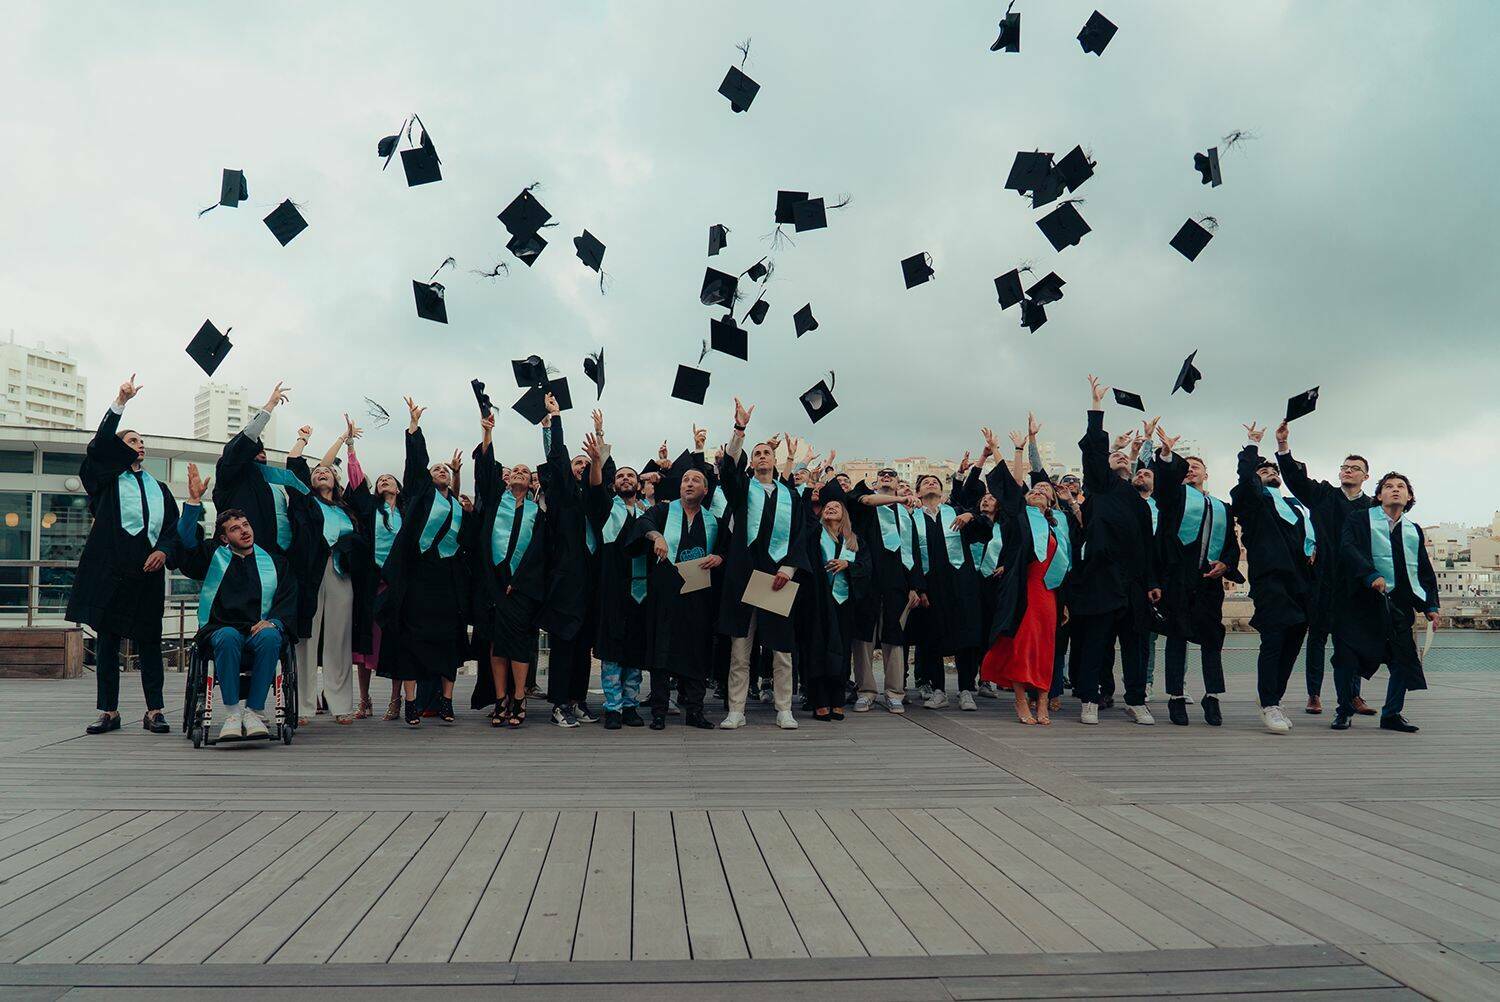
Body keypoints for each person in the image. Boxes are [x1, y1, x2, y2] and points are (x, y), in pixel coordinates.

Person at [68, 374, 179, 736]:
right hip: (112, 572)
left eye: (142, 442)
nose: (140, 445)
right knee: (108, 642)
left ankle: (154, 710)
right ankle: (109, 712)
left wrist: (164, 548)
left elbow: (171, 526)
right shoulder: (104, 481)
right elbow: (99, 448)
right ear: (119, 448)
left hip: (148, 573)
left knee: (149, 641)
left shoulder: (159, 487)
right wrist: (120, 401)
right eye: (132, 440)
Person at [175, 465, 298, 742]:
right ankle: (232, 714)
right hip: (221, 629)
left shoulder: (276, 563)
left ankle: (254, 711)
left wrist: (274, 621)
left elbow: (288, 600)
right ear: (223, 538)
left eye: (246, 525)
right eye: (234, 529)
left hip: (259, 630)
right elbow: (185, 542)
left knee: (270, 635)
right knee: (229, 636)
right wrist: (193, 502)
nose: (243, 531)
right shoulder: (212, 556)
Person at [1068, 376, 1160, 726]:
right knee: (1096, 643)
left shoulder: (1138, 502)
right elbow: (1093, 453)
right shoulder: (1099, 488)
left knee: (1135, 645)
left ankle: (1136, 700)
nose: (1121, 458)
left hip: (1134, 582)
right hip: (1100, 579)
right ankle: (1089, 699)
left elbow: (1146, 545)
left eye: (1125, 456)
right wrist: (1096, 408)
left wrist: (1152, 580)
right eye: (1115, 456)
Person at [378, 397, 473, 727]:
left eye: (445, 470)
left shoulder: (458, 508)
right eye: (436, 469)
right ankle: (411, 704)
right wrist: (414, 427)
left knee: (448, 641)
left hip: (446, 581)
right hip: (417, 580)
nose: (440, 471)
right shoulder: (421, 496)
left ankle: (446, 702)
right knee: (411, 642)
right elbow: (416, 464)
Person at [716, 398, 809, 730]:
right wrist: (739, 430)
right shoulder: (742, 489)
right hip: (743, 577)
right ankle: (736, 709)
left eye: (766, 453)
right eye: (756, 454)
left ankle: (784, 708)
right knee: (740, 649)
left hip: (776, 578)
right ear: (751, 461)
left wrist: (789, 569)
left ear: (775, 459)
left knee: (782, 650)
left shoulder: (791, 497)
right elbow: (727, 471)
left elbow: (800, 536)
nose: (761, 457)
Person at [1275, 420, 1377, 715]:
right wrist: (1283, 447)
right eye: (1344, 466)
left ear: (1366, 476)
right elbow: (1295, 479)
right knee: (1317, 638)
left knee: (1352, 641)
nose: (1347, 470)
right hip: (1322, 580)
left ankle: (1354, 696)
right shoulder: (1323, 495)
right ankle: (1314, 695)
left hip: (1356, 583)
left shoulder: (1371, 508)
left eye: (1354, 468)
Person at [1330, 473, 1438, 732]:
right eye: (1388, 487)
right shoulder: (1359, 519)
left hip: (1397, 606)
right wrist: (1370, 574)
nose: (1395, 490)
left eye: (1401, 487)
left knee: (1402, 659)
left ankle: (1391, 714)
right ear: (1379, 495)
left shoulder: (1413, 531)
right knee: (1347, 658)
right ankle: (1344, 710)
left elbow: (1423, 569)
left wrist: (1431, 605)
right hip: (1358, 603)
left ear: (1409, 496)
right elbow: (1348, 548)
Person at [1150, 427, 1244, 726]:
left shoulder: (1222, 508)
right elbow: (1163, 483)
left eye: (1197, 467)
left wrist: (1226, 565)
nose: (1191, 470)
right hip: (1177, 580)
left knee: (1212, 639)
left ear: (1206, 474)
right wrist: (1166, 455)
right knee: (1177, 637)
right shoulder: (1174, 498)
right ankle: (1176, 698)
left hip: (1208, 583)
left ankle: (1212, 695)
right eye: (1186, 466)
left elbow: (1231, 544)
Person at [980, 428, 1073, 724]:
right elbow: (1013, 484)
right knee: (1022, 644)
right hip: (1023, 589)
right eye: (1033, 491)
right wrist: (1011, 450)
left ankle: (1043, 700)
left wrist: (1065, 602)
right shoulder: (1019, 517)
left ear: (1050, 503)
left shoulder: (1058, 528)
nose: (1036, 492)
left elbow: (1064, 566)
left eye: (1041, 492)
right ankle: (1021, 700)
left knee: (1047, 646)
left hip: (1049, 593)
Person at [1231, 423, 1318, 735]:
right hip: (1270, 578)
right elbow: (1246, 481)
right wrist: (1251, 446)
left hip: (1301, 580)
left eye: (1272, 468)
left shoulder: (1296, 506)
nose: (1270, 471)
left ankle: (1274, 698)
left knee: (1295, 639)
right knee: (1275, 638)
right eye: (1263, 469)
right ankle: (1269, 702)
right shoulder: (1252, 499)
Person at [288, 417, 369, 726]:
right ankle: (304, 705)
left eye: (328, 472)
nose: (322, 473)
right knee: (306, 639)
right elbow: (296, 463)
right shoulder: (306, 501)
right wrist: (305, 439)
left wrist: (349, 442)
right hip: (311, 571)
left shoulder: (346, 508)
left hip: (341, 572)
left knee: (339, 638)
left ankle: (339, 703)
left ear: (336, 481)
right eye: (317, 472)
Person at [631, 466, 725, 729]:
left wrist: (719, 557)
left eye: (696, 480)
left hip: (698, 595)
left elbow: (725, 548)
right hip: (666, 593)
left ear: (705, 490)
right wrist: (657, 535)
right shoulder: (663, 511)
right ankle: (659, 711)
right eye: (685, 480)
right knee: (662, 650)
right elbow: (643, 523)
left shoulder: (712, 520)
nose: (689, 484)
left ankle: (695, 711)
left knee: (697, 651)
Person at [471, 409, 547, 728]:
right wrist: (488, 434)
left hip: (521, 588)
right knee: (495, 644)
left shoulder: (537, 514)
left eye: (524, 471)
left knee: (517, 644)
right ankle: (501, 697)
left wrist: (519, 581)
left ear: (531, 483)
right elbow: (486, 472)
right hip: (492, 585)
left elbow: (539, 555)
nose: (518, 472)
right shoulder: (494, 504)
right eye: (514, 469)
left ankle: (519, 696)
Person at [838, 466, 923, 713]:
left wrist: (915, 586)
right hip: (867, 580)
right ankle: (866, 690)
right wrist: (900, 498)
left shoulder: (906, 515)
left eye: (892, 475)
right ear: (876, 483)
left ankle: (895, 691)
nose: (887, 477)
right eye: (882, 476)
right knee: (863, 636)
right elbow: (865, 499)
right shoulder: (865, 506)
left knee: (895, 636)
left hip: (897, 582)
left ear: (898, 482)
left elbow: (913, 550)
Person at [585, 423, 653, 730]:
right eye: (620, 476)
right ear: (615, 484)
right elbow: (595, 488)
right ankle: (612, 707)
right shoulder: (605, 510)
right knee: (612, 651)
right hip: (611, 589)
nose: (625, 479)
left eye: (631, 476)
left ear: (638, 485)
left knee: (635, 651)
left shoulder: (648, 514)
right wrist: (597, 461)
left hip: (641, 592)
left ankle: (630, 705)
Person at [537, 401, 598, 728]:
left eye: (586, 463)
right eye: (578, 462)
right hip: (565, 584)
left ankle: (578, 700)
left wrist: (598, 450)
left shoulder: (594, 501)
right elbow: (556, 458)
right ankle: (559, 703)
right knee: (562, 646)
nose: (581, 466)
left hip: (589, 585)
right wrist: (554, 421)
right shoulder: (563, 497)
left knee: (583, 647)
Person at [907, 472, 987, 710]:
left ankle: (965, 690)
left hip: (961, 584)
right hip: (931, 586)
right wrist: (918, 587)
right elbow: (910, 555)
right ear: (918, 493)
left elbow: (986, 530)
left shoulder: (956, 512)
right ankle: (939, 690)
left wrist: (971, 515)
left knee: (966, 637)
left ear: (942, 492)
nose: (931, 483)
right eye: (925, 482)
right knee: (932, 637)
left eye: (936, 481)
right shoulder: (912, 519)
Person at [212, 381, 304, 558]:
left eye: (262, 449)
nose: (261, 451)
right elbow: (245, 440)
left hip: (283, 556)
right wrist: (270, 406)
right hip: (246, 554)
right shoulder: (230, 476)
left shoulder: (274, 484)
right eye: (255, 449)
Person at [798, 496, 870, 720]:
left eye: (836, 507)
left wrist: (847, 564)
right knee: (817, 649)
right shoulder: (814, 536)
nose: (830, 508)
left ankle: (837, 698)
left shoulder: (853, 541)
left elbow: (867, 568)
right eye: (827, 507)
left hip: (843, 602)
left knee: (842, 650)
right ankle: (819, 700)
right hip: (818, 601)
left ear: (844, 515)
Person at [345, 451, 402, 720]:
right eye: (380, 480)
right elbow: (356, 482)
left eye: (389, 479)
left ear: (399, 488)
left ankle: (395, 700)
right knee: (365, 641)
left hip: (397, 582)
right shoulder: (370, 508)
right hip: (371, 580)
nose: (384, 481)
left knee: (395, 640)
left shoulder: (407, 510)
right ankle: (365, 700)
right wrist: (352, 449)